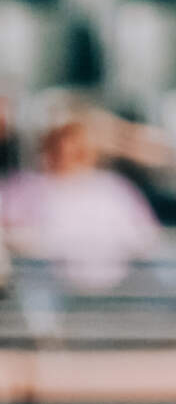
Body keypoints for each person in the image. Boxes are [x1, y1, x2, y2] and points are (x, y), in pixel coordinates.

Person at [0, 105, 165, 290]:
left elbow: (145, 238)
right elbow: (12, 234)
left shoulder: (115, 189)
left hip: (114, 288)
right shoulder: (23, 188)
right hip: (45, 285)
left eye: (77, 149)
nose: (67, 154)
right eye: (59, 146)